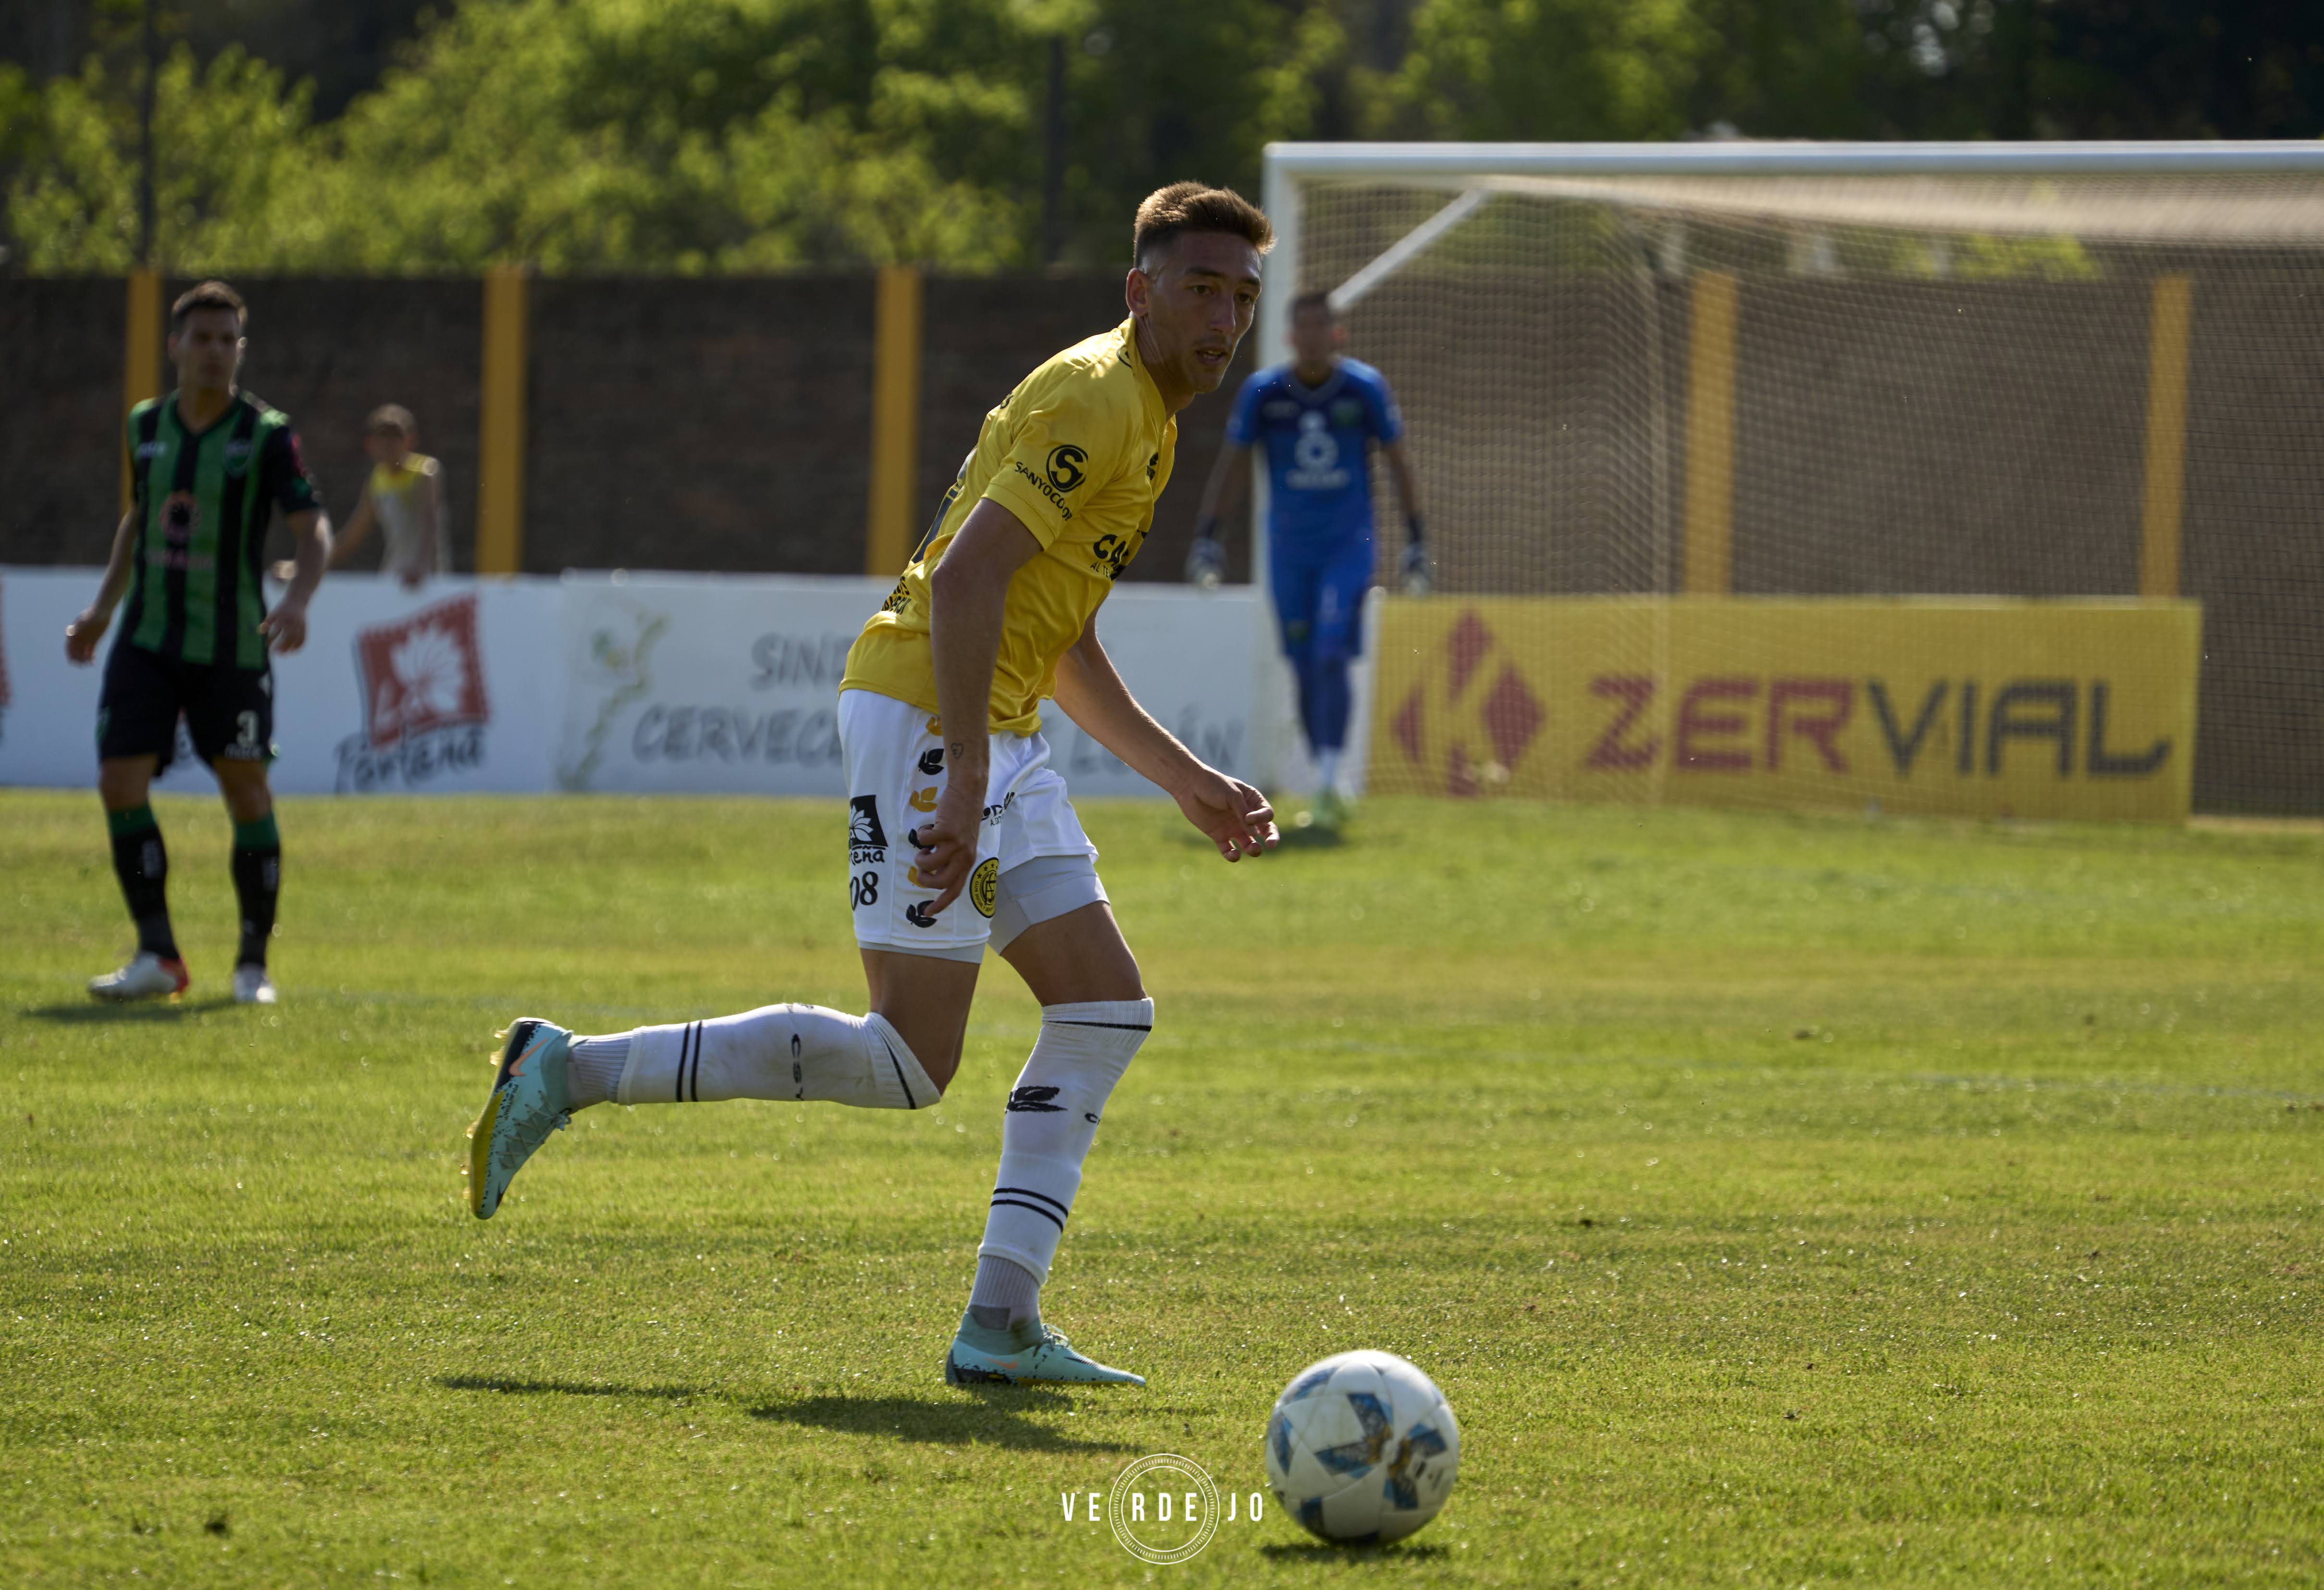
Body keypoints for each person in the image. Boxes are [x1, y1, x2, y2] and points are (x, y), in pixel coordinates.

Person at [465, 183, 1279, 1389]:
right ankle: (566, 1068)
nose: (1223, 317)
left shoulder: (1147, 421)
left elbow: (1054, 633)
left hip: (992, 724)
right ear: (1139, 290)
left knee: (1103, 1009)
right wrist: (954, 784)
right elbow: (962, 582)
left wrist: (1185, 780)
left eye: (1241, 297)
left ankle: (1000, 1322)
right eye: (1200, 288)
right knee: (907, 1059)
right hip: (928, 716)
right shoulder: (1095, 396)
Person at [64, 280, 333, 1006]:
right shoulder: (145, 425)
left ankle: (252, 965)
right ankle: (158, 954)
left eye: (228, 340)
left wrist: (300, 599)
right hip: (146, 637)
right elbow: (139, 519)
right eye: (202, 338)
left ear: (239, 350)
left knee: (246, 793)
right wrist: (99, 612)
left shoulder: (266, 434)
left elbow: (314, 528)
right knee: (120, 783)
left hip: (232, 647)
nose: (215, 352)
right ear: (175, 346)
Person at [1188, 291, 1425, 827]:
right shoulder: (1264, 393)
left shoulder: (1363, 388)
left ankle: (1330, 780)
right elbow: (1233, 465)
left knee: (1329, 651)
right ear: (1290, 336)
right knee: (1301, 664)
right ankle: (1327, 776)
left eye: (1323, 326)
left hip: (1349, 546)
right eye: (1304, 327)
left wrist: (1417, 539)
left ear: (1337, 334)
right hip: (1289, 550)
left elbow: (1399, 461)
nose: (1313, 337)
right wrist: (1209, 537)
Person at [325, 404, 448, 588]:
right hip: (396, 575)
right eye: (382, 436)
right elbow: (350, 539)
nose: (389, 443)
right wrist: (305, 567)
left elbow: (431, 526)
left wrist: (421, 569)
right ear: (370, 444)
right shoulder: (376, 481)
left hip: (427, 577)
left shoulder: (425, 473)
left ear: (410, 441)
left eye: (396, 436)